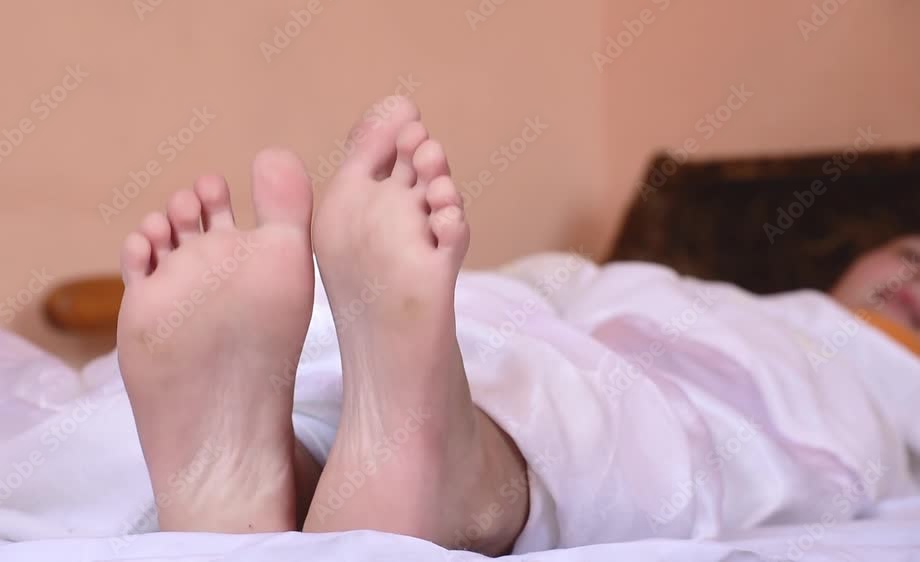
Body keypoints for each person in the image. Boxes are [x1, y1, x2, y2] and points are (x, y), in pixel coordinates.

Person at [115, 96, 920, 556]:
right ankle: (294, 457)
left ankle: (464, 477)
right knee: (489, 322)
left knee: (692, 431)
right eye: (910, 255)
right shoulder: (718, 292)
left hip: (752, 385)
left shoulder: (861, 373)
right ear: (849, 257)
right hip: (595, 320)